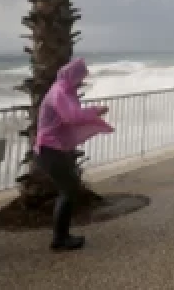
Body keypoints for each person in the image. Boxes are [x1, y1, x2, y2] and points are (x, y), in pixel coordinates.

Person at [34, 58, 113, 252]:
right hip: (49, 149)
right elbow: (72, 116)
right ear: (73, 75)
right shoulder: (60, 91)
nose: (81, 82)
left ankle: (62, 236)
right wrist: (96, 110)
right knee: (68, 191)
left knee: (68, 190)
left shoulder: (63, 90)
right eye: (80, 78)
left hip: (54, 149)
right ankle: (60, 238)